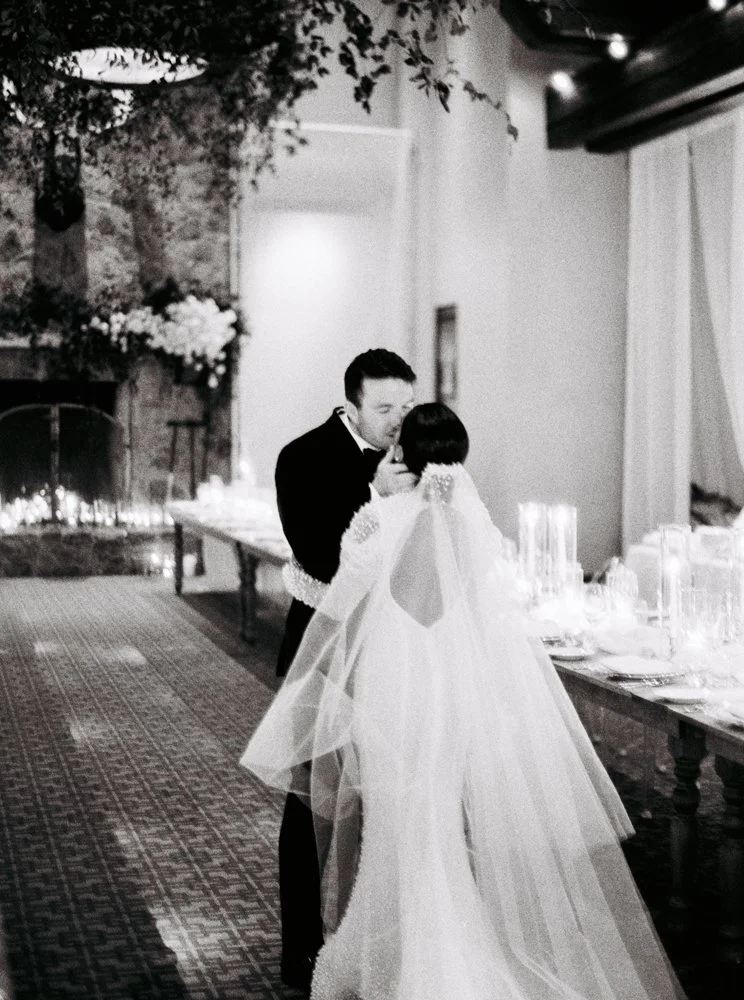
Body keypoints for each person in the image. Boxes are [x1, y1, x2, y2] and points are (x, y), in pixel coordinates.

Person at [242, 402, 685, 1000]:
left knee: (395, 828)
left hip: (390, 692)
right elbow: (486, 616)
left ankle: (400, 957)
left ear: (404, 454)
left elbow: (343, 601)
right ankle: (445, 945)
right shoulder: (473, 527)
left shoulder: (380, 521)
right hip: (449, 697)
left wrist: (375, 500)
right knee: (440, 826)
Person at [272, 349, 417, 991]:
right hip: (326, 654)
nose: (397, 421)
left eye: (406, 407)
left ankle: (376, 939)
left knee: (390, 798)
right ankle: (304, 950)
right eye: (385, 408)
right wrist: (374, 496)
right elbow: (319, 556)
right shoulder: (301, 457)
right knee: (314, 808)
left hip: (399, 657)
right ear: (352, 404)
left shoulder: (422, 457)